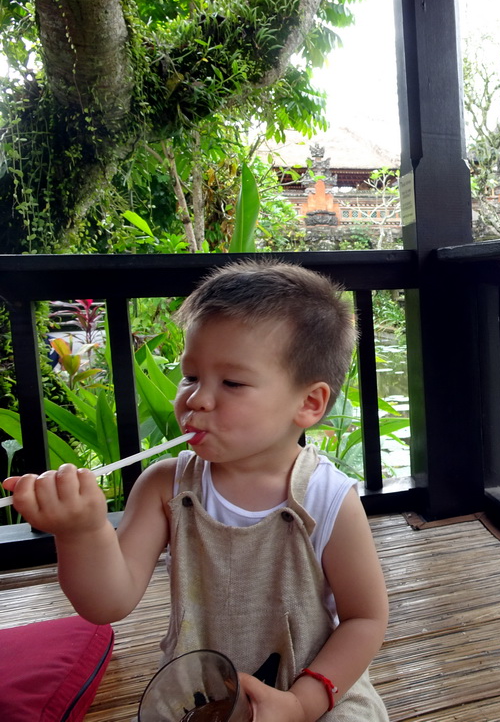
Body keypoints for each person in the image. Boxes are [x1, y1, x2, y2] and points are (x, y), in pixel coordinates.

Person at [2, 260, 389, 722]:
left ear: (308, 403)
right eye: (190, 376)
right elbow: (107, 603)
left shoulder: (327, 499)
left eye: (231, 382)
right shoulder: (168, 487)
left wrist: (301, 704)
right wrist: (81, 532)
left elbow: (365, 619)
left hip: (314, 689)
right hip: (200, 697)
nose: (196, 399)